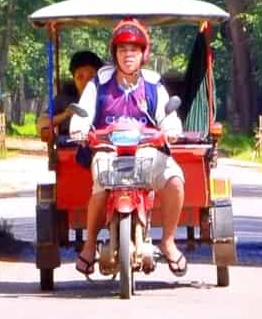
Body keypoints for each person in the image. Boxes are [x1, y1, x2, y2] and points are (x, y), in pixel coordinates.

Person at [68, 19, 187, 278]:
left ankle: (167, 241)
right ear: (115, 54)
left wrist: (171, 129)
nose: (128, 55)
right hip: (107, 151)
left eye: (134, 49)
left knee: (176, 180)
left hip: (147, 151)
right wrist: (78, 127)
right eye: (122, 50)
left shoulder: (153, 84)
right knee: (100, 188)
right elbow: (84, 112)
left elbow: (168, 115)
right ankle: (89, 246)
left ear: (143, 53)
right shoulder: (98, 83)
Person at [38, 50, 103, 144]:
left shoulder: (108, 96)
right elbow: (41, 123)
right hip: (70, 150)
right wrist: (65, 114)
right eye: (80, 77)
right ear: (74, 79)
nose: (86, 82)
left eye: (91, 77)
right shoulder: (65, 98)